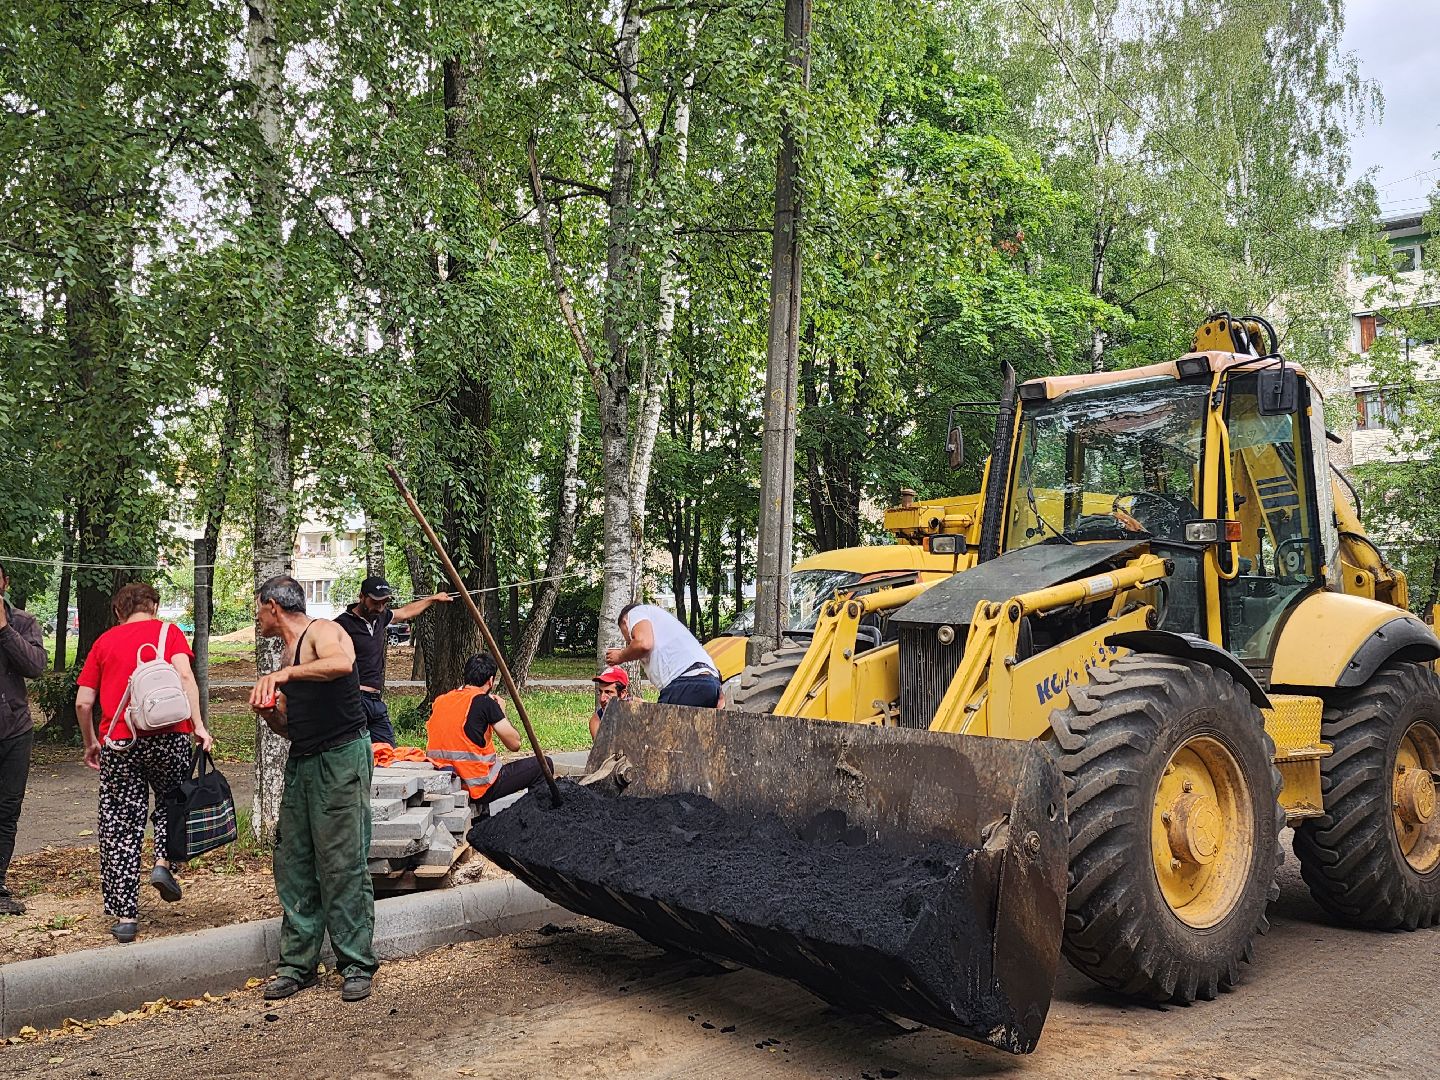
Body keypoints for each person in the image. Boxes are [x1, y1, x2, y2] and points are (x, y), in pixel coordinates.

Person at [250, 574, 377, 1003]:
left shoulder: (323, 630)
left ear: (272, 606)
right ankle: (297, 965)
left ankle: (356, 964)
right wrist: (270, 715)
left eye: (257, 608)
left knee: (342, 861)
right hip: (304, 761)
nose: (256, 617)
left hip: (342, 757)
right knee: (295, 861)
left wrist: (285, 676)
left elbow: (342, 664)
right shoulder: (286, 656)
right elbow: (288, 725)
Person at [74, 582, 213, 942]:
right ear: (154, 607)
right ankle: (163, 863)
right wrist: (197, 725)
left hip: (121, 741)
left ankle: (125, 917)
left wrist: (92, 743)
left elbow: (83, 703)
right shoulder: (169, 634)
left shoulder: (104, 642)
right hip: (169, 734)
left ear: (119, 611)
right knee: (172, 801)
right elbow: (185, 678)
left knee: (120, 822)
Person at [428, 653, 552, 817]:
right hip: (475, 786)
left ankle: (482, 819)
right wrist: (500, 712)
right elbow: (514, 744)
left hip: (445, 778)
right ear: (491, 680)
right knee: (543, 765)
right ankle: (536, 819)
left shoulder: (441, 700)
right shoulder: (485, 702)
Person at [335, 576, 452, 746]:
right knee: (356, 751)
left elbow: (405, 612)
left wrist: (432, 599)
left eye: (384, 602)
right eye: (375, 602)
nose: (380, 607)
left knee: (389, 751)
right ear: (361, 597)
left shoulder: (380, 617)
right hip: (353, 699)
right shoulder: (341, 625)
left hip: (375, 701)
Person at [0, 562, 46, 916]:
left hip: (14, 729)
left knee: (7, 809)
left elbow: (35, 666)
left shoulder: (23, 622)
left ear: (5, 582)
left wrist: (3, 629)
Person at [605, 603, 723, 708]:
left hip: (684, 683)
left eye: (626, 635)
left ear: (625, 622)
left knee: (663, 730)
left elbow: (643, 643)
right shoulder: (666, 627)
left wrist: (620, 656)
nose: (629, 642)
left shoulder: (635, 613)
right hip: (710, 683)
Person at [589, 664, 632, 741]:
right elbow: (602, 751)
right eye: (600, 692)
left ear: (622, 693)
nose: (602, 699)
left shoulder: (639, 710)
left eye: (608, 692)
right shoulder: (597, 721)